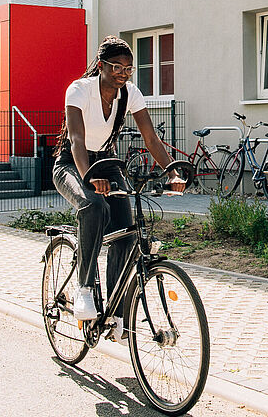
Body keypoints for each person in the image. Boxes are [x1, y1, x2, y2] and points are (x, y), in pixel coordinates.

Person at [52, 36, 183, 329]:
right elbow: (76, 139)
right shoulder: (79, 90)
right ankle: (84, 289)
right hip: (72, 163)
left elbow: (151, 138)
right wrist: (89, 177)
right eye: (116, 67)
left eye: (128, 69)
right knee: (93, 205)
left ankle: (116, 312)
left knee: (126, 232)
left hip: (107, 163)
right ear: (101, 66)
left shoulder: (130, 94)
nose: (122, 73)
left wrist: (171, 171)